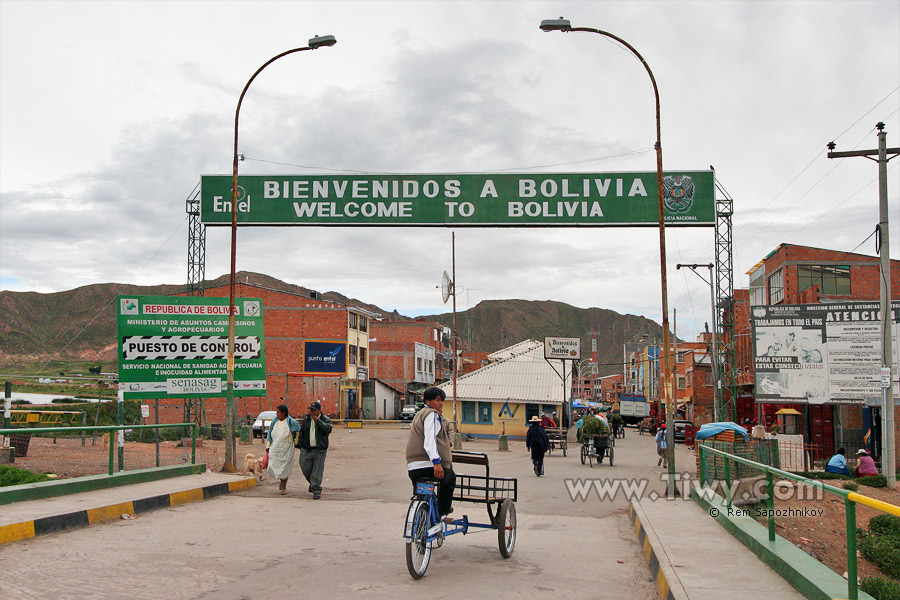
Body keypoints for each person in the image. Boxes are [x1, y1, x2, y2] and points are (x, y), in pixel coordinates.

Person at [406, 386, 456, 517]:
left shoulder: (418, 415)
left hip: (413, 467)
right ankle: (443, 510)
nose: (441, 404)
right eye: (438, 400)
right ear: (428, 401)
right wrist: (436, 462)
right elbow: (429, 441)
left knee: (420, 491)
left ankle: (421, 512)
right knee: (450, 479)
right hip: (429, 465)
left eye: (442, 401)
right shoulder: (431, 415)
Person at [297, 401, 333, 499]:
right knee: (305, 468)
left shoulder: (325, 419)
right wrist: (300, 444)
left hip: (319, 450)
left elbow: (328, 429)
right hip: (307, 449)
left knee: (317, 472)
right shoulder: (306, 420)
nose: (311, 412)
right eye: (310, 410)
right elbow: (302, 433)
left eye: (314, 410)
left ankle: (316, 490)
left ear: (319, 410)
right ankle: (313, 484)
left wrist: (318, 421)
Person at [266, 404, 301, 495]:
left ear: (283, 413)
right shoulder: (274, 422)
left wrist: (296, 443)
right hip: (275, 449)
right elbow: (270, 435)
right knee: (273, 465)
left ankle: (283, 486)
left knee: (285, 468)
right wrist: (268, 446)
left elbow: (297, 432)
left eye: (278, 412)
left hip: (287, 449)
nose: (276, 414)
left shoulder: (291, 422)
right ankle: (281, 481)